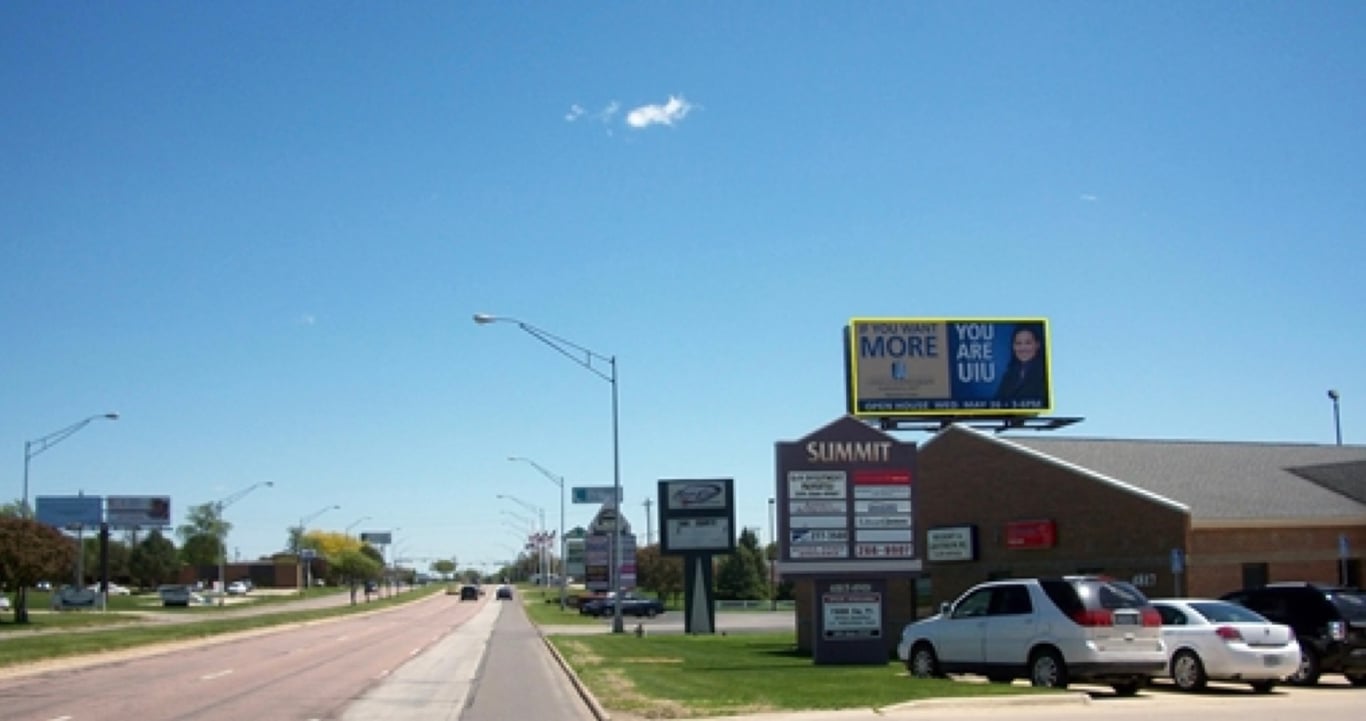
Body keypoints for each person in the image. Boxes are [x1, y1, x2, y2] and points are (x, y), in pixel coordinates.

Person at [995, 324, 1048, 403]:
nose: (1023, 348)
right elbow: (996, 402)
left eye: (1028, 343)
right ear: (1013, 346)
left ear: (1037, 345)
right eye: (1018, 343)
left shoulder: (1044, 372)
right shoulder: (1009, 374)